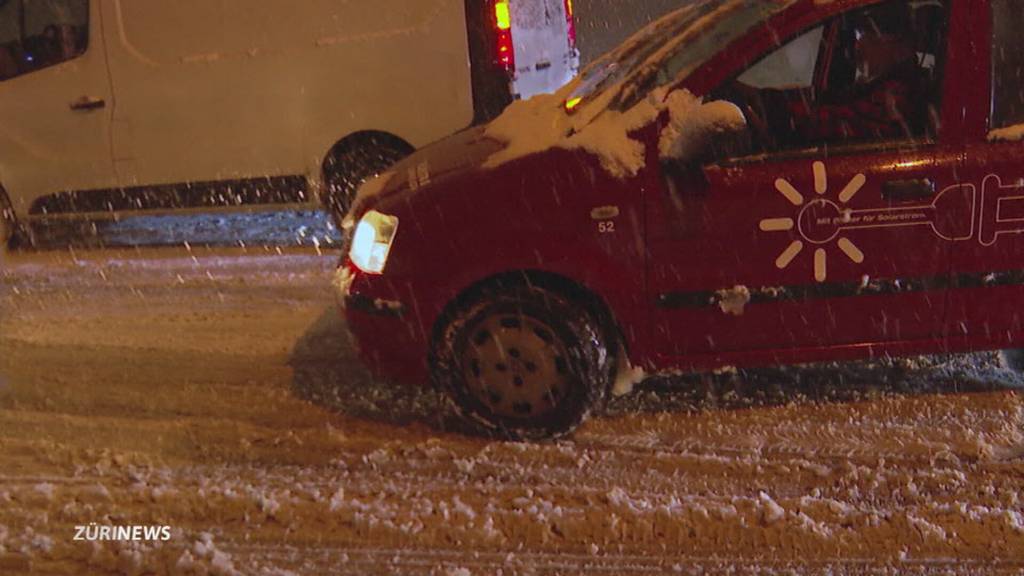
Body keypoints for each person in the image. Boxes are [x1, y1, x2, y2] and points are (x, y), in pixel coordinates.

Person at [792, 3, 931, 142]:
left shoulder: (898, 94)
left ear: (896, 42)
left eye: (866, 34)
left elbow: (853, 124)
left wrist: (794, 117)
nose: (858, 44)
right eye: (858, 35)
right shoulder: (886, 82)